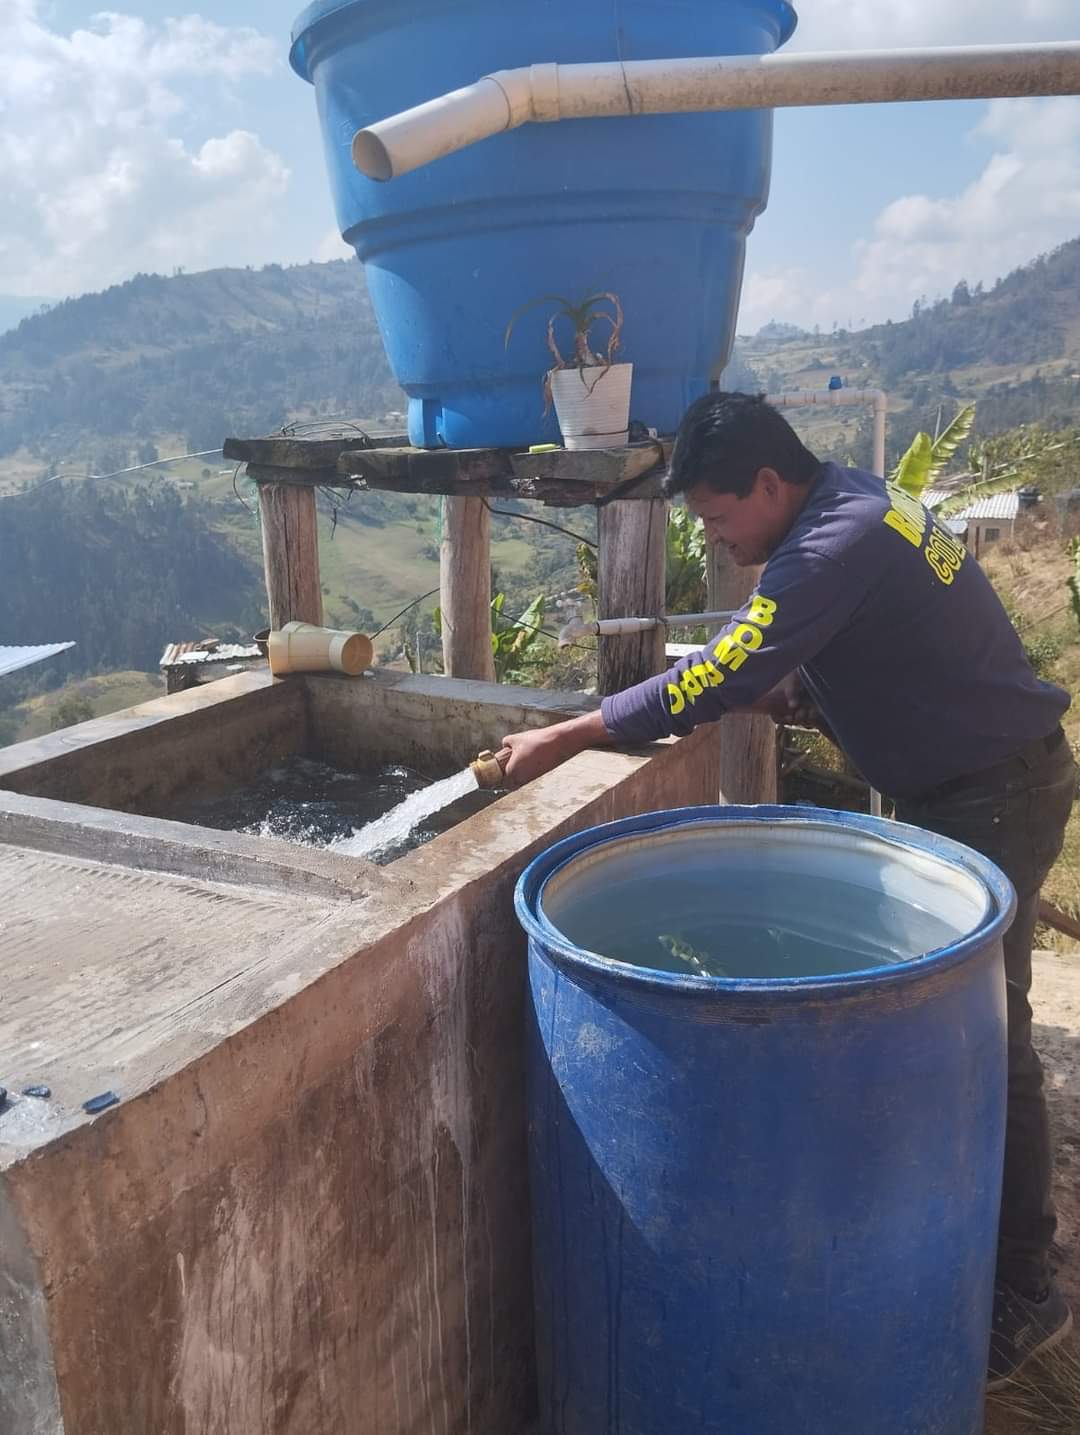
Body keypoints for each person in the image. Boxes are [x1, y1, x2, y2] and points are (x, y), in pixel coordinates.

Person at [500, 390, 1077, 1388]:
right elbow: (884, 641)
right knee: (963, 1015)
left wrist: (572, 731)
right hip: (977, 775)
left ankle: (1025, 1289)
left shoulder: (828, 544)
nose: (720, 543)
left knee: (992, 1025)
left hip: (990, 793)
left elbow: (722, 670)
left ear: (769, 483)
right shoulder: (850, 503)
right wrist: (802, 692)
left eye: (721, 518)